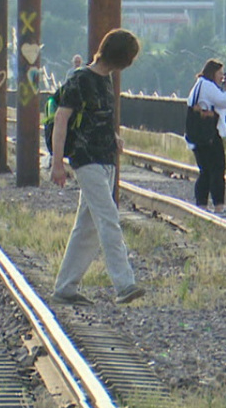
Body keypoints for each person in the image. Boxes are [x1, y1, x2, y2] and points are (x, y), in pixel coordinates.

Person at [50, 28, 146, 306]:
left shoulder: (106, 80)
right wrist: (57, 163)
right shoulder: (80, 80)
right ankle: (124, 284)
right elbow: (61, 119)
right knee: (109, 220)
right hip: (86, 159)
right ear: (121, 57)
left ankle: (65, 288)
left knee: (88, 227)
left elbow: (98, 117)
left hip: (106, 159)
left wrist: (113, 137)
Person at [185, 59, 226, 215]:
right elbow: (225, 102)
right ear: (212, 73)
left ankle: (201, 205)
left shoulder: (200, 85)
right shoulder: (207, 86)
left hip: (197, 133)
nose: (222, 77)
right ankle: (219, 206)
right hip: (208, 133)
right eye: (220, 74)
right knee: (217, 168)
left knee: (205, 171)